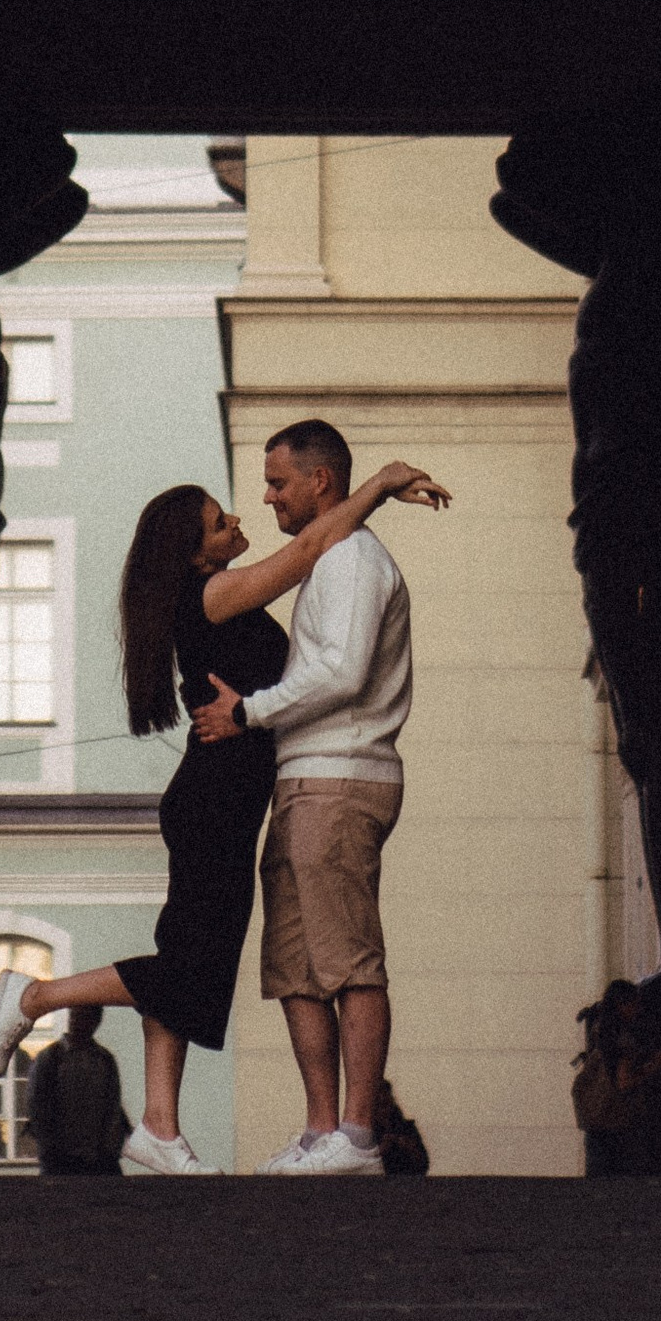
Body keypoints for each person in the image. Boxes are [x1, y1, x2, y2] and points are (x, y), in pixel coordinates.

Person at [0, 449, 447, 1176]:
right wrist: (381, 486)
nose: (237, 517)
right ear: (193, 551)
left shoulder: (213, 598)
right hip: (216, 802)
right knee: (190, 968)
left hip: (219, 797)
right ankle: (35, 994)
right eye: (217, 520)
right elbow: (309, 549)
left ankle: (160, 1127)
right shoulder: (213, 595)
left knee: (188, 958)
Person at [492, 113, 661, 1038]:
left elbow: (521, 184)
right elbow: (514, 195)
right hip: (630, 515)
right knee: (653, 744)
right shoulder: (647, 249)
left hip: (639, 515)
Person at [190, 418, 421, 1177]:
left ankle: (357, 1132)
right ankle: (324, 1128)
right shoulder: (326, 556)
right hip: (303, 778)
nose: (266, 497)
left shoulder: (353, 558)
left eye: (278, 482)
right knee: (295, 965)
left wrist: (249, 710)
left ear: (321, 481)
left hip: (343, 777)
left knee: (349, 958)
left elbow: (344, 674)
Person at [25, 1004, 129, 1176]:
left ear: (96, 1022)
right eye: (75, 1016)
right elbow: (37, 1107)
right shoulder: (50, 1058)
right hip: (60, 1159)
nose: (77, 1022)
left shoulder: (104, 1059)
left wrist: (110, 1148)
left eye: (85, 1017)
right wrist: (49, 1148)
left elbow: (112, 1107)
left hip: (98, 1159)